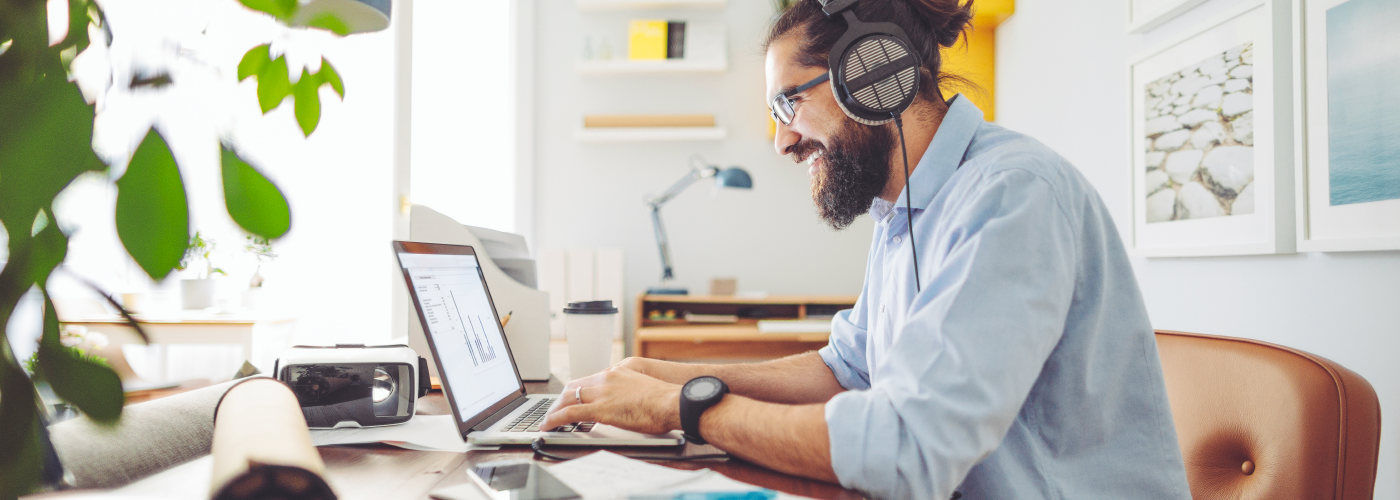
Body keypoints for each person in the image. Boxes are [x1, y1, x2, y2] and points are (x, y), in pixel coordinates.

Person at [540, 0, 1192, 497]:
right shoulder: (903, 209)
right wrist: (664, 375)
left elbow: (909, 449)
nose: (782, 142)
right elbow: (848, 369)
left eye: (786, 103)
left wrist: (683, 408)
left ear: (872, 76)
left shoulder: (1010, 196)